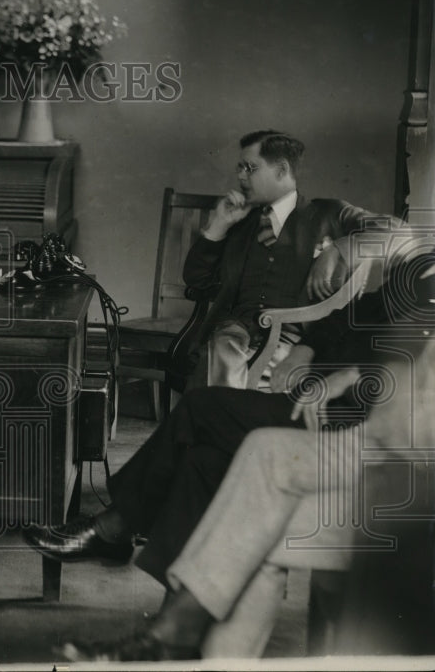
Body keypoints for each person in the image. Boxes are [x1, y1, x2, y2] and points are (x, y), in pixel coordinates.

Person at [53, 247, 435, 661]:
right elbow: (352, 313)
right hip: (330, 406)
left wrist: (355, 379)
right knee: (204, 461)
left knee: (202, 410)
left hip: (361, 429)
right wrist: (307, 350)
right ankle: (171, 629)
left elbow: (416, 398)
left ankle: (117, 529)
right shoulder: (420, 264)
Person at [183, 129, 388, 388]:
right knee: (220, 351)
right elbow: (196, 280)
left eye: (250, 167)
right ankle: (224, 416)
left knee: (215, 375)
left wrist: (340, 247)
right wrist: (219, 226)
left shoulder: (329, 213)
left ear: (281, 170)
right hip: (234, 336)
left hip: (295, 340)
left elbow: (400, 231)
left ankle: (222, 416)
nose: (240, 175)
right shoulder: (242, 220)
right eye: (240, 167)